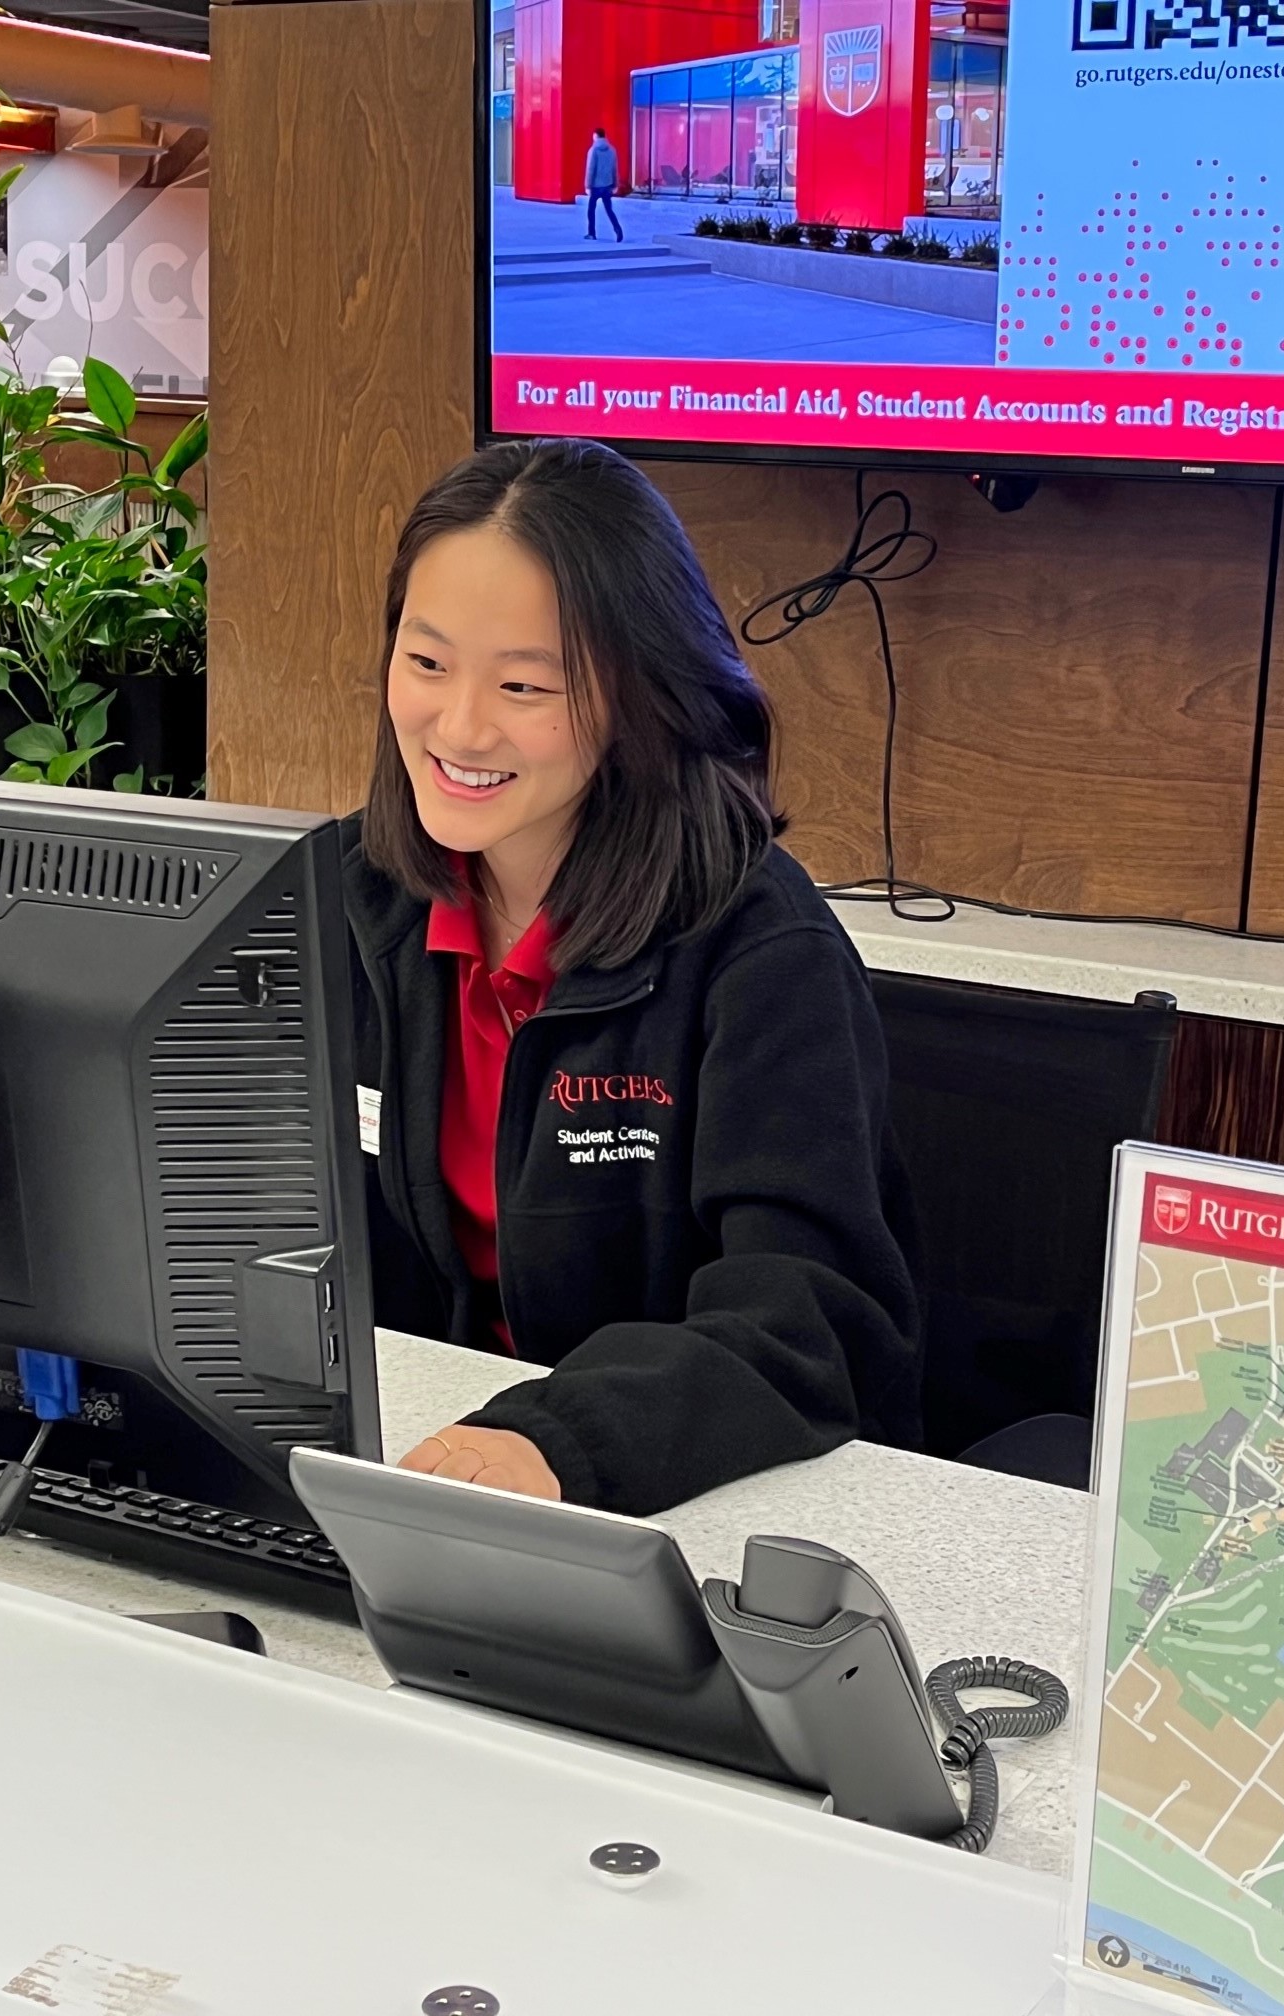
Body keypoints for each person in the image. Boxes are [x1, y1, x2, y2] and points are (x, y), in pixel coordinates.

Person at [343, 437, 922, 1517]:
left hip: (688, 1501)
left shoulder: (761, 953)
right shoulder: (336, 902)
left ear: (638, 694)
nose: (459, 727)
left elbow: (809, 1322)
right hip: (413, 1474)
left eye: (524, 685)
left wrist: (556, 1442)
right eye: (426, 665)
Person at [584, 127, 623, 242]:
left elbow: (590, 169)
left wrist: (587, 186)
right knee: (609, 209)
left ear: (595, 136)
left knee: (591, 209)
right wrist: (616, 184)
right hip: (607, 185)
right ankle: (617, 228)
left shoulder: (593, 150)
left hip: (596, 186)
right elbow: (614, 169)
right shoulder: (612, 150)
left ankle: (592, 233)